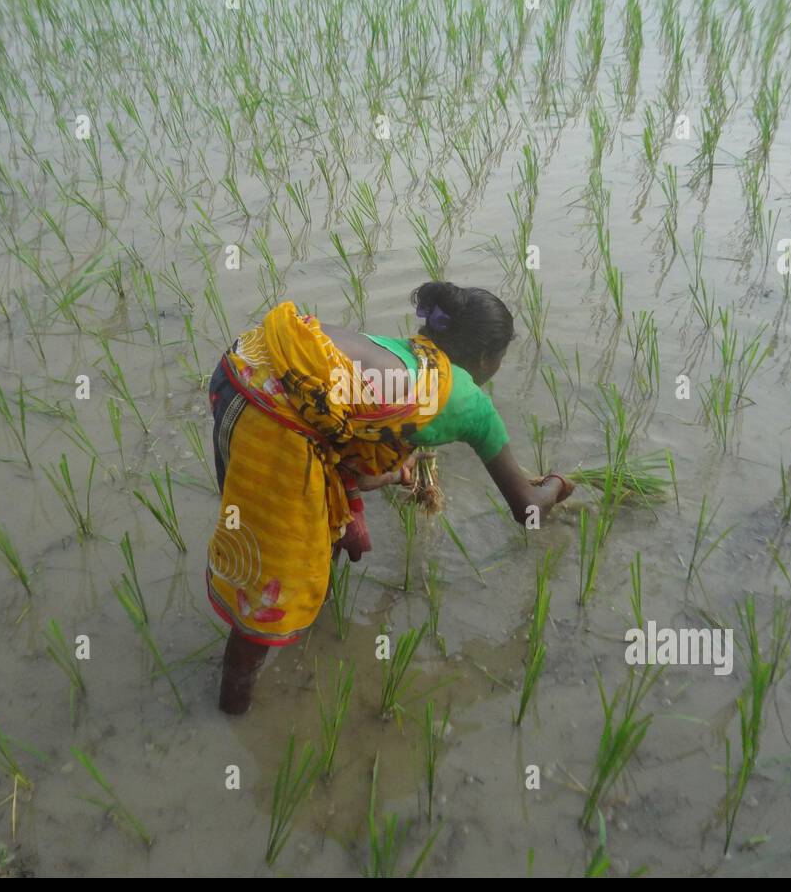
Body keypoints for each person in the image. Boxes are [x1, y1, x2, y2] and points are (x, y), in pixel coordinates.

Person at [205, 281, 574, 714]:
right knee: (273, 583)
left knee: (296, 530)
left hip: (242, 368)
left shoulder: (404, 352)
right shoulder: (469, 402)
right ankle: (232, 707)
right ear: (488, 359)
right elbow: (526, 510)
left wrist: (392, 474)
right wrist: (558, 486)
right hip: (270, 416)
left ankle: (310, 628)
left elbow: (343, 440)